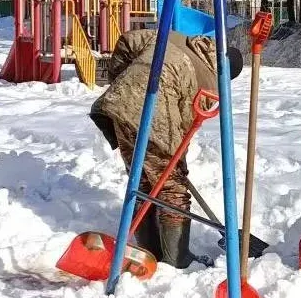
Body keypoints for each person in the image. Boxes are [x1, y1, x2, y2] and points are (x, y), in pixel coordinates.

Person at [89, 28, 243, 269]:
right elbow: (184, 124)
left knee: (141, 181)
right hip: (156, 119)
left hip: (118, 107)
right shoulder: (210, 82)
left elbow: (127, 41)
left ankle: (148, 253)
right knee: (173, 187)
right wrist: (177, 162)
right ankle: (176, 260)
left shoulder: (178, 38)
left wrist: (125, 82)